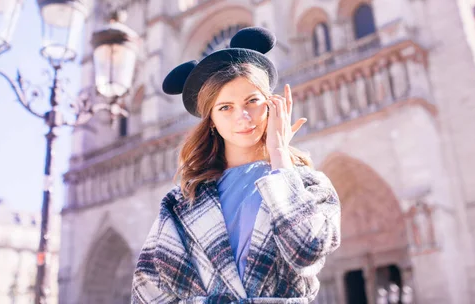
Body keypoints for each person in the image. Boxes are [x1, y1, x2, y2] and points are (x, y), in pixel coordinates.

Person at [131, 27, 341, 303]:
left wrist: (279, 155)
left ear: (272, 106)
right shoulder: (180, 203)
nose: (242, 117)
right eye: (225, 107)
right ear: (212, 121)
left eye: (252, 101)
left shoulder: (308, 184)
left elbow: (307, 250)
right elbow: (148, 290)